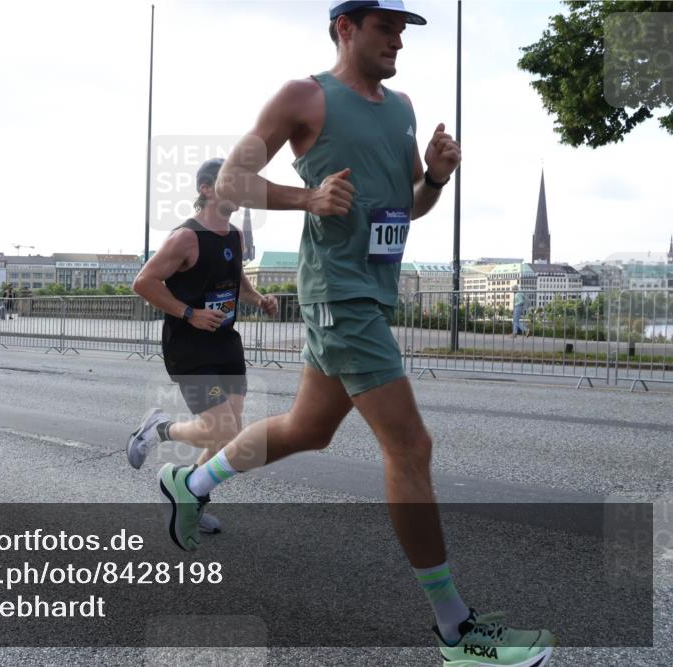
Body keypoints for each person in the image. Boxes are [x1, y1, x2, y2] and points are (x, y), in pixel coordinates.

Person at [155, 3, 556, 665]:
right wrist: (305, 197)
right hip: (339, 297)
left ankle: (190, 484)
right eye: (386, 26)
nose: (399, 38)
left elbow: (408, 207)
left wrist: (435, 176)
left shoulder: (400, 107)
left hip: (373, 292)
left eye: (404, 28)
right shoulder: (305, 96)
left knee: (308, 427)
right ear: (346, 27)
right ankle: (457, 633)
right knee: (410, 445)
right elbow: (231, 179)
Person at [130, 158, 278, 535]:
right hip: (190, 347)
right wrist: (189, 313)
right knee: (225, 433)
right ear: (206, 188)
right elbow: (144, 283)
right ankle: (159, 429)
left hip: (226, 344)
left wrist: (259, 299)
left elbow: (239, 284)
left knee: (229, 437)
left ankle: (188, 497)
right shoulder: (185, 238)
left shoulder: (234, 236)